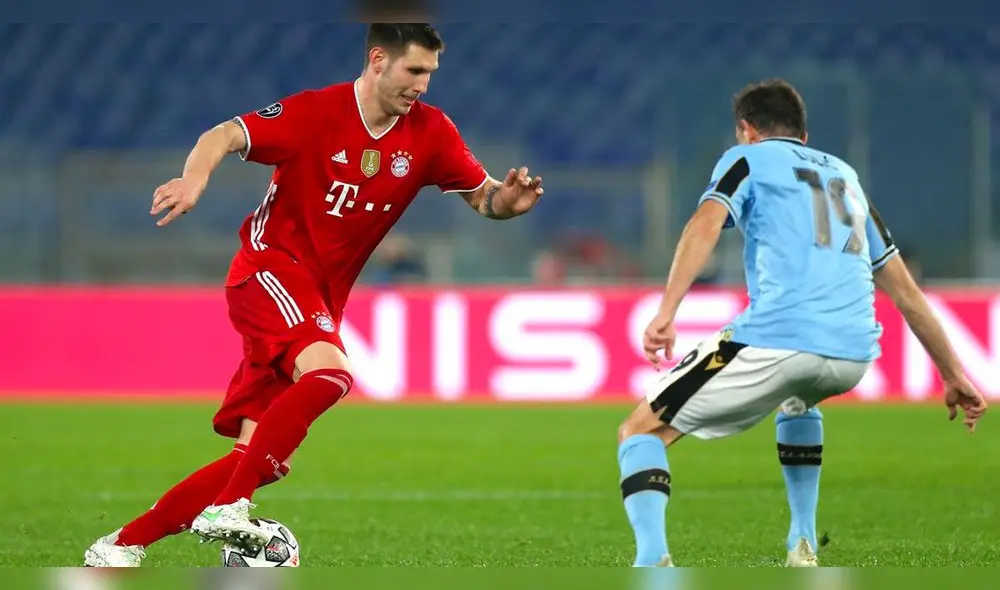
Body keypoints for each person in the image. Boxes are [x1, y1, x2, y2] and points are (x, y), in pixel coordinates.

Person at [84, 23, 544, 567]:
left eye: (430, 74)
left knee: (253, 456)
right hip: (269, 270)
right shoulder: (316, 113)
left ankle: (119, 547)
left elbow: (482, 196)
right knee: (332, 375)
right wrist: (193, 179)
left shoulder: (430, 132)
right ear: (378, 60)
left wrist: (506, 202)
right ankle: (230, 507)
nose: (423, 85)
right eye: (414, 70)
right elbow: (224, 135)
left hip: (321, 296)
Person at [615, 79, 987, 568]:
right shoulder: (847, 178)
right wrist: (954, 374)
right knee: (796, 400)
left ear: (746, 131)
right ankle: (802, 543)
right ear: (803, 136)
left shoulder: (745, 158)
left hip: (779, 337)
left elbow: (704, 223)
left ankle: (652, 563)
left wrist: (666, 312)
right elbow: (907, 293)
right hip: (853, 352)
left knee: (640, 431)